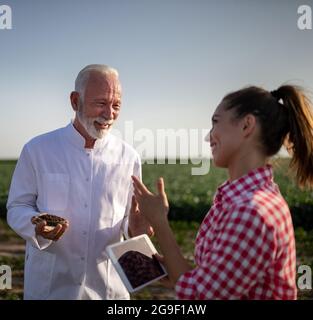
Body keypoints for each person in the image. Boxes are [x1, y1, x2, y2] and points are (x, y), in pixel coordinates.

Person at [132, 85, 313, 299]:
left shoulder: (250, 211)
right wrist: (171, 267)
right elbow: (214, 278)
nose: (208, 137)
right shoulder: (249, 198)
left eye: (215, 122)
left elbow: (201, 296)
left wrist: (159, 222)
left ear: (247, 125)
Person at [7, 64, 152, 300]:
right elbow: (17, 207)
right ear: (75, 101)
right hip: (50, 289)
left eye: (116, 105)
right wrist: (35, 225)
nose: (109, 114)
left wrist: (136, 228)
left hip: (108, 290)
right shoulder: (37, 149)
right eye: (101, 103)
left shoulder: (130, 157)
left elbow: (128, 221)